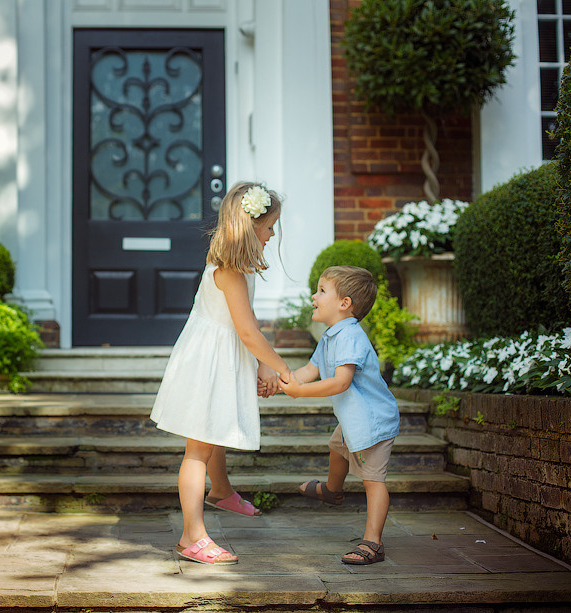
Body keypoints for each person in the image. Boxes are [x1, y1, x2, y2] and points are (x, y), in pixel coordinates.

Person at [150, 181, 292, 565]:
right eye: (270, 226)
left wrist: (263, 362)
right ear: (252, 226)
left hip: (218, 355)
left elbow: (248, 320)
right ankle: (191, 537)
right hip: (207, 362)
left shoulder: (238, 267)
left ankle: (221, 491)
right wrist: (281, 367)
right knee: (198, 449)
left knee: (213, 430)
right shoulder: (229, 270)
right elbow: (247, 332)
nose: (272, 234)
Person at [275, 265, 399, 565]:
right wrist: (280, 383)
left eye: (321, 291)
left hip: (371, 422)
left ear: (344, 303)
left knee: (373, 481)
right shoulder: (330, 336)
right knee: (336, 449)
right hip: (352, 419)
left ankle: (373, 543)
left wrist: (301, 392)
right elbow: (310, 370)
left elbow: (341, 382)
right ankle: (333, 491)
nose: (313, 296)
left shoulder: (351, 336)